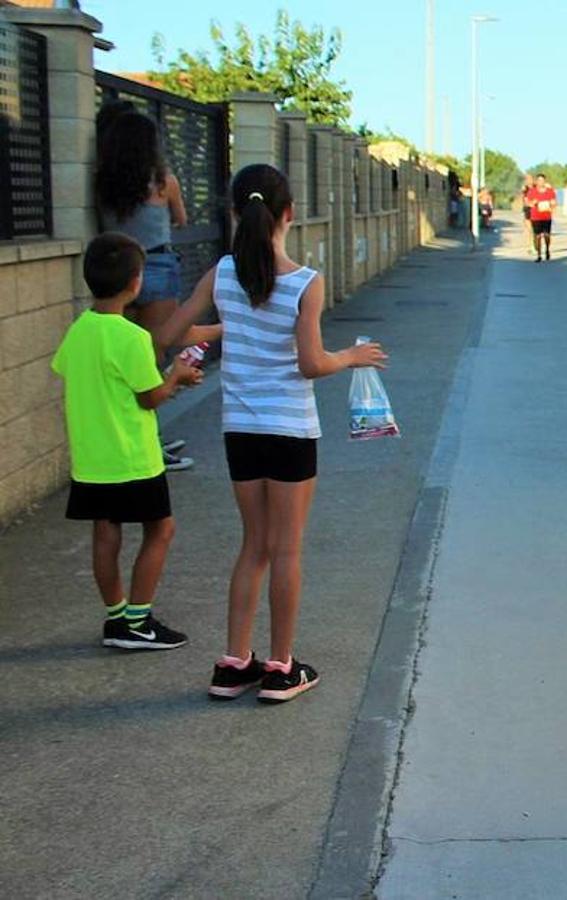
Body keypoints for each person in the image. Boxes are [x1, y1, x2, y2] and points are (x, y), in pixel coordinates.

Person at [158, 164, 388, 704]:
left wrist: (220, 327)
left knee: (253, 547)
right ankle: (282, 668)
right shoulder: (305, 282)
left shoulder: (221, 274)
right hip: (290, 431)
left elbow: (170, 334)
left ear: (237, 213)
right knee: (287, 550)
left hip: (240, 431)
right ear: (288, 214)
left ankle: (234, 662)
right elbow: (310, 364)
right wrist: (350, 357)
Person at [51, 233, 203, 651]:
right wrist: (176, 375)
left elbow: (67, 369)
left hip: (91, 457)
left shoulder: (79, 330)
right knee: (161, 529)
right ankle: (138, 622)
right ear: (136, 282)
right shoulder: (131, 337)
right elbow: (149, 396)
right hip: (133, 457)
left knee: (106, 531)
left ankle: (116, 617)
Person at [95, 108, 207, 472]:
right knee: (151, 356)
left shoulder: (103, 182)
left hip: (114, 267)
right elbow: (181, 219)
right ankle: (148, 443)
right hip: (157, 266)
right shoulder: (164, 182)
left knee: (122, 360)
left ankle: (134, 437)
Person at [526, 172, 557, 262]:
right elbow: (527, 203)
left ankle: (547, 249)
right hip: (536, 217)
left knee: (547, 235)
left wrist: (552, 204)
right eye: (539, 180)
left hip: (546, 216)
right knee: (538, 236)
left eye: (542, 180)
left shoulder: (549, 191)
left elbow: (554, 202)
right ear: (537, 181)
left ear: (544, 181)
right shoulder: (532, 191)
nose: (541, 182)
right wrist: (533, 203)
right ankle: (539, 255)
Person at [520, 173, 535, 251]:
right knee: (530, 230)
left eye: (530, 179)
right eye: (527, 179)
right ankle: (531, 246)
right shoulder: (524, 189)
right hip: (528, 210)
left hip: (536, 210)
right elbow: (524, 200)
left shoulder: (536, 187)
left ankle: (534, 244)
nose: (529, 181)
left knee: (535, 230)